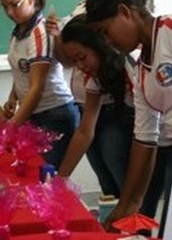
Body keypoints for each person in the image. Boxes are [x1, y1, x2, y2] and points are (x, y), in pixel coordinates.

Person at [86, 0, 172, 237]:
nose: (107, 42)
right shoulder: (140, 70)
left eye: (105, 31)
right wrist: (126, 206)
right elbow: (145, 138)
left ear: (125, 12)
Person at [48, 0, 132, 198]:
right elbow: (70, 60)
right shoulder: (81, 7)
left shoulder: (124, 24)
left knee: (125, 188)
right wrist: (57, 38)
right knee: (109, 190)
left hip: (114, 111)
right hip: (88, 107)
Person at [0, 0, 78, 168]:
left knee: (46, 178)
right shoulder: (18, 31)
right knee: (31, 175)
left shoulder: (40, 32)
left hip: (54, 114)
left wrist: (11, 127)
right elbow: (22, 69)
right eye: (4, 6)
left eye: (14, 5)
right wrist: (13, 97)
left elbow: (36, 86)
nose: (9, 12)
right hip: (34, 113)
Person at [56, 16, 134, 200]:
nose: (80, 66)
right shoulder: (94, 78)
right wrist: (58, 180)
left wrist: (130, 202)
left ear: (100, 44)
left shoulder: (131, 66)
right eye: (74, 61)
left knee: (130, 194)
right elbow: (84, 132)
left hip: (165, 141)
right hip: (146, 134)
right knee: (110, 189)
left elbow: (148, 137)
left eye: (82, 57)